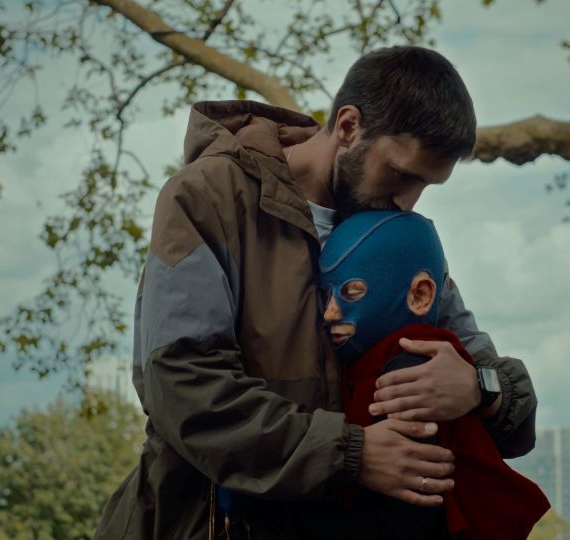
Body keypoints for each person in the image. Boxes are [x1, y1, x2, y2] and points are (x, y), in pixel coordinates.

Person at [95, 45, 539, 540]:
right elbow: (180, 383)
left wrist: (481, 388)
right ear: (348, 126)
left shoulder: (395, 232)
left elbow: (499, 390)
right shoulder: (208, 196)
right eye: (401, 175)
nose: (408, 202)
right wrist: (351, 455)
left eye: (426, 186)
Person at [315, 210, 549, 540]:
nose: (330, 313)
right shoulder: (369, 363)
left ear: (421, 295)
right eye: (324, 296)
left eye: (351, 292)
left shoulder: (411, 370)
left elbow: (407, 512)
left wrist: (480, 386)